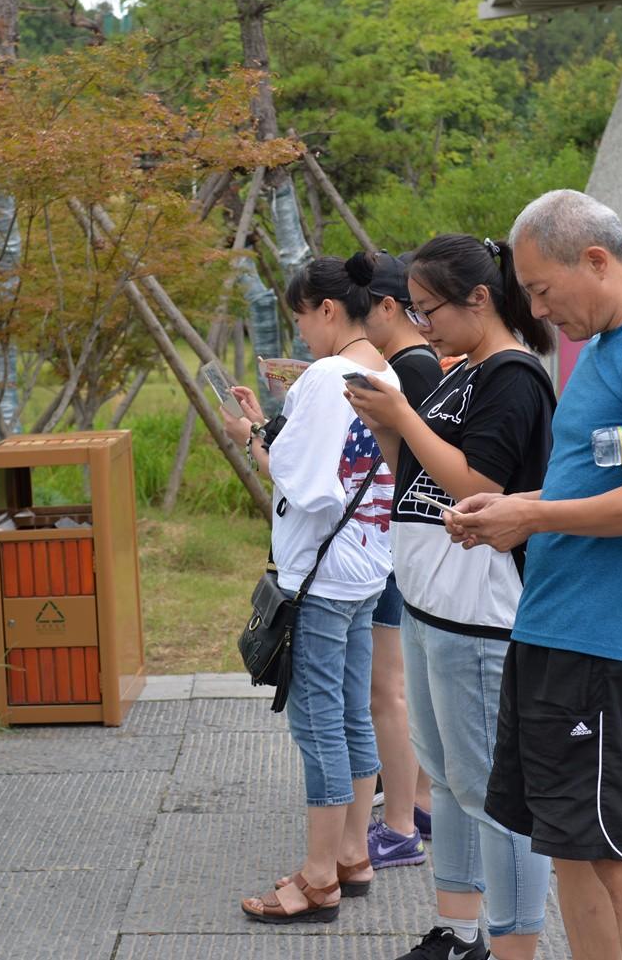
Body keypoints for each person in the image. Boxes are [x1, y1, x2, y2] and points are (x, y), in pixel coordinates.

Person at [445, 190, 622, 960]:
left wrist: (530, 518)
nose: (537, 308)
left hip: (612, 646)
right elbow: (591, 486)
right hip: (557, 632)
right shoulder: (601, 347)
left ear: (596, 260)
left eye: (540, 289)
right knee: (566, 842)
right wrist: (512, 505)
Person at [347, 234, 556, 960]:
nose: (421, 322)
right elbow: (424, 473)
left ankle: (511, 942)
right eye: (413, 308)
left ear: (479, 298)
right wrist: (389, 425)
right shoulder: (459, 369)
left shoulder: (513, 376)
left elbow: (480, 487)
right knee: (455, 782)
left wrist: (402, 418)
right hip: (431, 601)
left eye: (429, 308)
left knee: (494, 793)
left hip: (481, 613)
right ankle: (458, 929)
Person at [222, 256, 400, 923]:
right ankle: (351, 852)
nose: (300, 332)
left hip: (322, 577)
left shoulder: (327, 376)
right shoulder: (381, 368)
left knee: (318, 720)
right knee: (352, 711)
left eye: (301, 316)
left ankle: (320, 874)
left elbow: (305, 484)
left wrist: (254, 439)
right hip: (364, 567)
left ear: (327, 308)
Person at [353, 250, 438, 870]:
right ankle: (421, 803)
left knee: (390, 691)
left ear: (388, 306)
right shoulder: (412, 364)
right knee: (404, 686)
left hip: (397, 541)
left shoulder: (410, 369)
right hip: (401, 540)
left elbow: (415, 464)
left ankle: (400, 824)